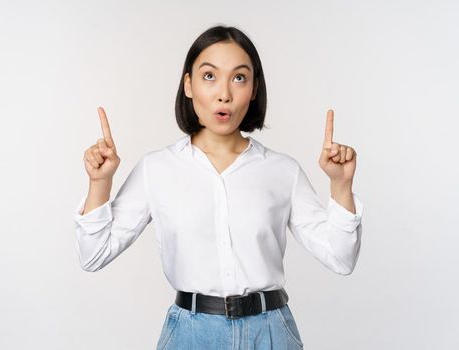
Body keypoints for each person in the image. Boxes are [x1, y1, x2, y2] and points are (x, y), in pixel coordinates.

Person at [73, 25, 363, 349]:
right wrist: (100, 183)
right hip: (191, 335)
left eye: (239, 77)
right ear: (188, 85)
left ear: (254, 89)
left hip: (270, 334)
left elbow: (341, 258)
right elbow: (93, 255)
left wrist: (340, 185)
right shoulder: (157, 169)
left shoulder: (282, 171)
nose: (224, 93)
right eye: (209, 76)